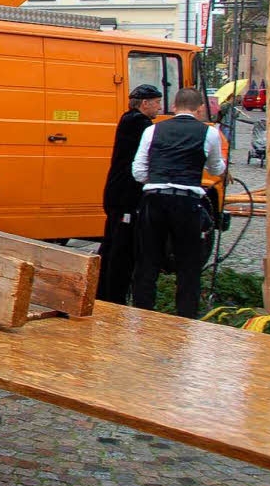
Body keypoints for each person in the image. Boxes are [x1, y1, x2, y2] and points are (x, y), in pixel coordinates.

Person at [132, 87, 226, 318]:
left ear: (174, 107)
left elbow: (138, 171)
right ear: (200, 108)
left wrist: (159, 178)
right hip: (187, 201)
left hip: (155, 197)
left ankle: (143, 312)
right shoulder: (209, 133)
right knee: (188, 262)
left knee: (148, 259)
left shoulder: (153, 130)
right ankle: (185, 316)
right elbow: (216, 169)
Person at [95, 85, 162, 303]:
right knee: (120, 248)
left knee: (112, 243)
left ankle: (103, 289)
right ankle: (113, 295)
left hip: (116, 192)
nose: (159, 107)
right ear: (145, 103)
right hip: (125, 195)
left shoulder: (128, 119)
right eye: (157, 102)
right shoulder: (139, 123)